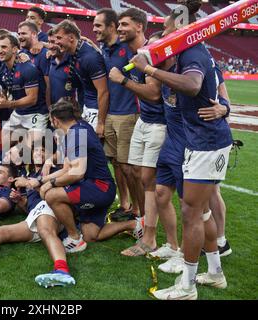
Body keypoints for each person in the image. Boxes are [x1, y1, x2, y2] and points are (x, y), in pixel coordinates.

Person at [130, 0, 232, 300]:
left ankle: (187, 287)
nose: (163, 35)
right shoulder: (188, 52)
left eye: (166, 29)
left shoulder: (193, 51)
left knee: (191, 213)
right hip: (200, 139)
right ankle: (214, 273)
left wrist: (149, 68)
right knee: (199, 213)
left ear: (181, 28)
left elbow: (191, 84)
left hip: (206, 142)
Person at [29, 100, 116, 288]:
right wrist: (42, 181)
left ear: (55, 120)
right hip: (102, 187)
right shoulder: (80, 127)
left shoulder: (74, 136)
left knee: (52, 196)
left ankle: (74, 238)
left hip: (98, 188)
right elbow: (68, 167)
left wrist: (49, 184)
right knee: (91, 234)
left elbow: (77, 173)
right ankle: (133, 224)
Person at [109, 29, 167, 257]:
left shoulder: (157, 66)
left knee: (155, 184)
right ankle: (144, 222)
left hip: (161, 125)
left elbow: (153, 94)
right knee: (134, 172)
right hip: (145, 120)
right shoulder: (138, 59)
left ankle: (152, 236)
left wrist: (122, 80)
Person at [93, 8, 140, 222]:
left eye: (98, 25)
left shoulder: (128, 48)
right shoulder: (105, 49)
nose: (95, 29)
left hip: (129, 113)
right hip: (111, 113)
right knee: (116, 163)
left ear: (111, 27)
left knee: (129, 167)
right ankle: (125, 204)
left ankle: (138, 210)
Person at [54, 20, 109, 138]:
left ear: (71, 38)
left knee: (90, 147)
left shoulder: (90, 57)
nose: (56, 42)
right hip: (86, 107)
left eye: (59, 38)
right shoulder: (71, 53)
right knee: (81, 146)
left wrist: (100, 123)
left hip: (96, 109)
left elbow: (103, 91)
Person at [0, 33, 49, 144]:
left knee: (29, 149)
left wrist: (8, 104)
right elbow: (3, 94)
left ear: (15, 49)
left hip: (36, 113)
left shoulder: (27, 68)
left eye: (4, 47)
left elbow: (32, 99)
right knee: (3, 143)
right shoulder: (2, 70)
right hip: (18, 113)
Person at [18, 21, 51, 107]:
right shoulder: (21, 53)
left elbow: (49, 85)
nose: (20, 37)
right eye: (19, 34)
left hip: (40, 109)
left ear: (34, 34)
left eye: (23, 33)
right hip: (23, 108)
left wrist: (49, 109)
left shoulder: (44, 54)